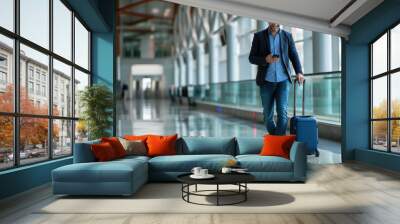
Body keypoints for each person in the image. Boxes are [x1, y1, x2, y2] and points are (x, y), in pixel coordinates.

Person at [249, 23, 304, 135]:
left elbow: (293, 54)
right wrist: (265, 59)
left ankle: (277, 143)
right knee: (267, 116)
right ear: (269, 22)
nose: (274, 25)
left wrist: (299, 72)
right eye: (272, 23)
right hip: (266, 81)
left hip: (283, 80)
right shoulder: (259, 36)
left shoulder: (287, 36)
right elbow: (252, 58)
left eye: (277, 23)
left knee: (282, 113)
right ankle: (277, 140)